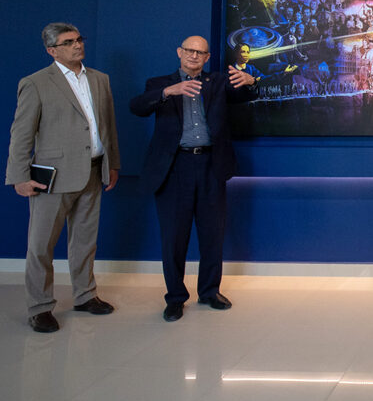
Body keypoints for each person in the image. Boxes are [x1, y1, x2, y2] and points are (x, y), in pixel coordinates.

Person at [129, 36, 257, 322]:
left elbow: (246, 96)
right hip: (174, 167)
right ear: (179, 52)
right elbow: (137, 107)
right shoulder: (158, 83)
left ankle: (210, 291)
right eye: (189, 51)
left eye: (200, 52)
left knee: (213, 234)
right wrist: (167, 92)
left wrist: (251, 83)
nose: (194, 56)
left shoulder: (219, 82)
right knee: (174, 237)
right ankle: (175, 298)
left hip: (211, 164)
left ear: (208, 57)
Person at [5, 22, 120, 333]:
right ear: (52, 50)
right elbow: (21, 133)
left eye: (79, 39)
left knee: (85, 242)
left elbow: (108, 126)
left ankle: (85, 295)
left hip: (94, 171)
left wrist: (113, 164)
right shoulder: (36, 83)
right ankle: (40, 306)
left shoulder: (99, 79)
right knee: (41, 245)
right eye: (69, 42)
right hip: (52, 178)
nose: (77, 45)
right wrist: (18, 176)